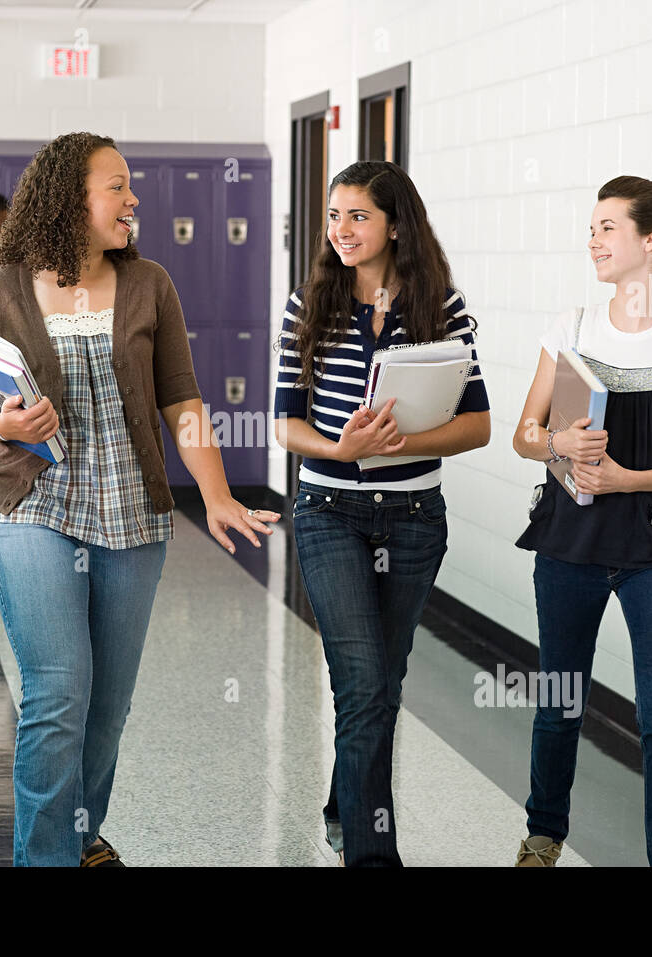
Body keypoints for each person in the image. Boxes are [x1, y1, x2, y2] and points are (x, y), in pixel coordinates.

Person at [0, 131, 278, 867]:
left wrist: (218, 492)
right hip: (32, 506)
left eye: (132, 185)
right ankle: (44, 858)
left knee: (105, 709)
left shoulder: (149, 284)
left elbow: (183, 399)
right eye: (117, 185)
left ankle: (76, 836)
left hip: (131, 512)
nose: (134, 199)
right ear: (72, 198)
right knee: (58, 692)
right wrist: (2, 423)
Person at [272, 160, 491, 866]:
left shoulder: (443, 309)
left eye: (358, 216)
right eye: (334, 216)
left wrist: (405, 442)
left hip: (414, 519)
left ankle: (345, 800)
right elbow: (284, 423)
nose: (341, 229)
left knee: (381, 683)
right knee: (363, 680)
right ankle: (373, 853)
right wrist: (343, 445)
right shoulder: (308, 305)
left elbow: (479, 424)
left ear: (397, 225)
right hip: (327, 510)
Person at [512, 175, 652, 867]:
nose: (594, 240)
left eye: (608, 227)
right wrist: (557, 446)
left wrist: (630, 480)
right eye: (593, 227)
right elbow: (523, 432)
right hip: (568, 545)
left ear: (651, 238)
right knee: (561, 700)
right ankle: (543, 835)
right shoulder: (571, 328)